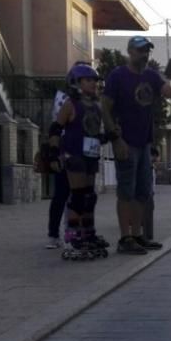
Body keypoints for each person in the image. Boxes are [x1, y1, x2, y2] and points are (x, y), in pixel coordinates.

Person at [101, 36, 171, 254]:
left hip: (144, 143)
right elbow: (105, 107)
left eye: (147, 50)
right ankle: (125, 238)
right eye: (140, 50)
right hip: (125, 142)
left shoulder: (151, 76)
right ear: (130, 51)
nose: (144, 54)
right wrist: (116, 139)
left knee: (142, 192)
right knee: (126, 192)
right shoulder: (118, 76)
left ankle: (137, 235)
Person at [46, 63, 109, 260]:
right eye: (88, 80)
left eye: (94, 81)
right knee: (78, 197)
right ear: (77, 83)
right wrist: (55, 154)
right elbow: (56, 129)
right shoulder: (70, 104)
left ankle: (88, 233)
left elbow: (93, 132)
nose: (93, 84)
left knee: (90, 197)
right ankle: (72, 237)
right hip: (74, 156)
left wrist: (108, 136)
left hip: (91, 156)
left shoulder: (97, 107)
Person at [46, 63, 85, 249]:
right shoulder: (65, 100)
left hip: (82, 155)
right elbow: (57, 127)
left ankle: (73, 234)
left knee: (77, 198)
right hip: (65, 154)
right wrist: (54, 154)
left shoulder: (87, 102)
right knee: (62, 196)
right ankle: (55, 235)